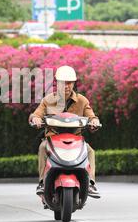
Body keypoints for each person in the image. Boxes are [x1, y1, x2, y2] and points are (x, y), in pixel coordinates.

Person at [29, 65, 101, 198]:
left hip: (76, 140)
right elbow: (36, 114)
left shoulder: (82, 101)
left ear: (74, 83)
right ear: (57, 83)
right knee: (42, 147)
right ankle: (42, 183)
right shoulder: (48, 100)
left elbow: (91, 116)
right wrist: (35, 119)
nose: (66, 86)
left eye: (69, 83)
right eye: (63, 83)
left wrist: (94, 121)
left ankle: (90, 183)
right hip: (52, 139)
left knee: (90, 150)